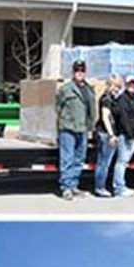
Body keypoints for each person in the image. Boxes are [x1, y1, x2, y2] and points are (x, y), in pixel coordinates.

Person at [56, 59, 95, 200]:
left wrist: (91, 127)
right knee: (67, 158)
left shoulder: (88, 89)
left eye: (82, 70)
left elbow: (91, 110)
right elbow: (58, 107)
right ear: (73, 72)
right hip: (68, 128)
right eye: (77, 70)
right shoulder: (65, 89)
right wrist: (62, 123)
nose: (80, 73)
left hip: (82, 128)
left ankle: (73, 185)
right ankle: (66, 187)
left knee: (79, 159)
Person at [112, 75, 134, 197]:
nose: (131, 86)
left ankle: (120, 185)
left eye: (133, 84)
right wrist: (130, 134)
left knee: (125, 161)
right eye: (129, 83)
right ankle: (118, 187)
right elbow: (123, 118)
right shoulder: (122, 99)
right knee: (122, 161)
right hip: (125, 135)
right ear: (125, 84)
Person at [93, 74, 123, 198]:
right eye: (112, 85)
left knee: (103, 161)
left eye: (117, 86)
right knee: (104, 162)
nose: (115, 88)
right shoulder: (106, 99)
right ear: (108, 85)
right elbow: (105, 117)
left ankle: (100, 186)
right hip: (106, 134)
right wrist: (111, 135)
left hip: (106, 133)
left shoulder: (111, 98)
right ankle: (100, 187)